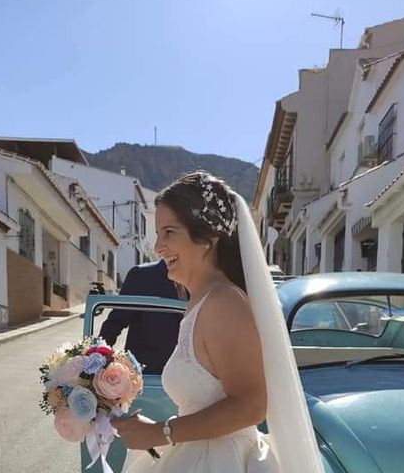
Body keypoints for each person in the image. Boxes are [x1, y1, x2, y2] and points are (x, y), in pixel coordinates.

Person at [112, 172, 324, 473]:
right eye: (158, 233)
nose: (157, 246)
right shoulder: (199, 300)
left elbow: (251, 405)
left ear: (207, 239)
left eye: (169, 232)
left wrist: (160, 432)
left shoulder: (224, 303)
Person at [99, 259, 184, 374]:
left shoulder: (206, 279)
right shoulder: (142, 275)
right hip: (145, 377)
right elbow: (116, 321)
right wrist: (96, 360)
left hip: (190, 379)